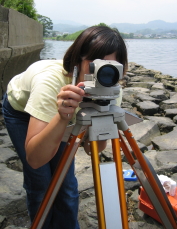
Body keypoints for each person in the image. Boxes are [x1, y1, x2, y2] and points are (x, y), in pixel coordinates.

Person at [2, 26, 128, 229]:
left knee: (66, 185)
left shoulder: (111, 90)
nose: (104, 72)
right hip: (21, 111)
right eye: (96, 64)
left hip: (66, 115)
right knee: (40, 182)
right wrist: (62, 117)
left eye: (112, 66)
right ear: (77, 60)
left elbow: (91, 148)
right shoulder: (50, 82)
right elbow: (35, 158)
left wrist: (104, 116)